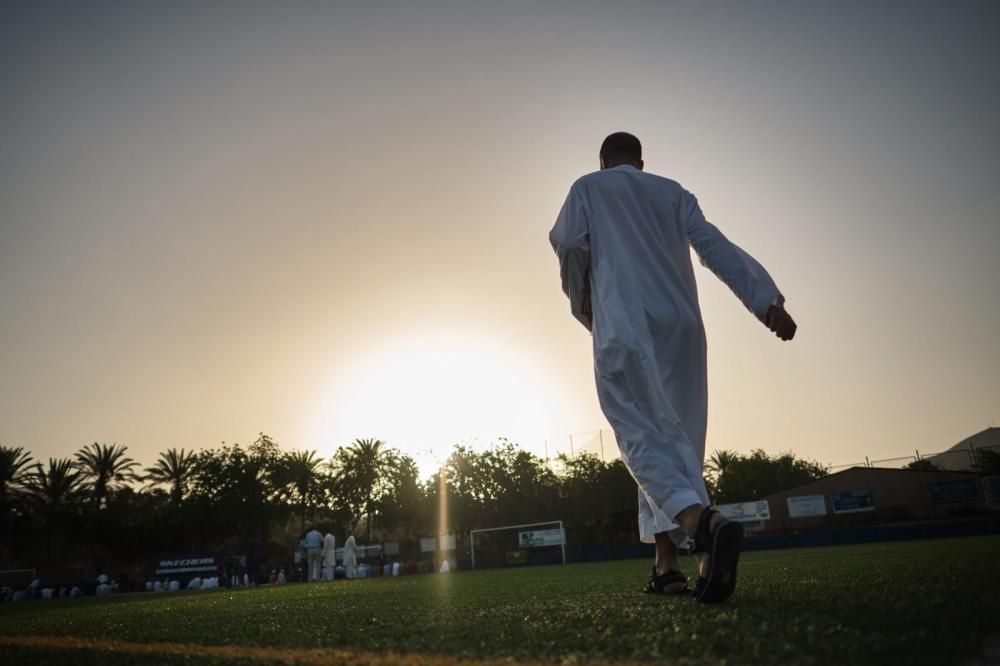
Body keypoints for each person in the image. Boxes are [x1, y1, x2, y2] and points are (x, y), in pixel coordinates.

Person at [549, 132, 796, 603]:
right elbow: (713, 245)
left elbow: (568, 243)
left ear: (603, 161)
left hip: (625, 321)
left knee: (640, 435)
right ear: (642, 162)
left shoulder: (589, 188)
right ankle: (672, 567)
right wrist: (765, 299)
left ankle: (701, 524)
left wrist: (586, 307)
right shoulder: (673, 192)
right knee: (677, 440)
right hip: (682, 328)